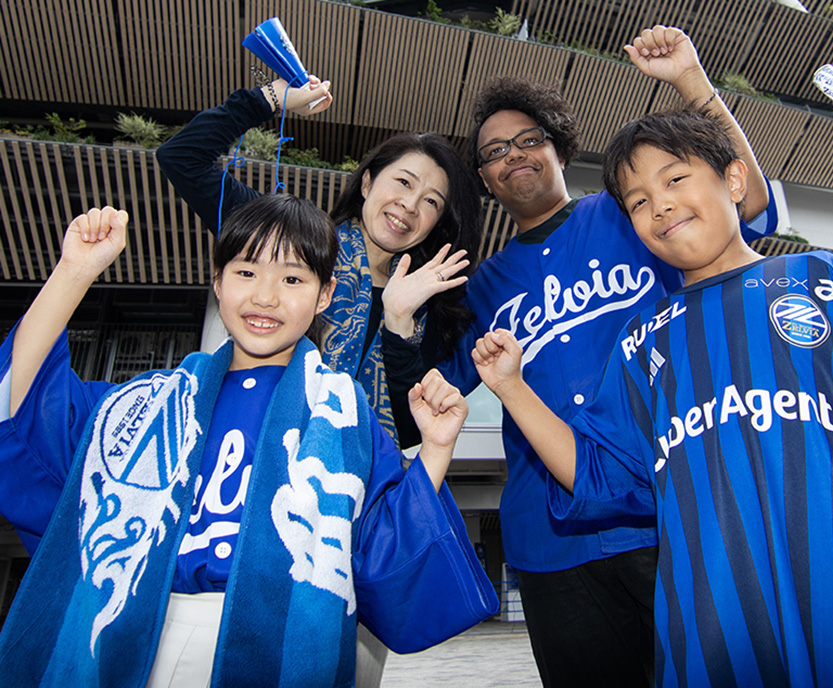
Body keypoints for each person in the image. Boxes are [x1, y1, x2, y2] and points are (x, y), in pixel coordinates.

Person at [471, 103, 833, 686]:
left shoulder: (827, 283)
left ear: (734, 180)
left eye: (675, 179)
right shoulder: (640, 347)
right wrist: (512, 388)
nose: (659, 206)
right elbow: (599, 477)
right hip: (715, 649)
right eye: (636, 202)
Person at [403, 26, 776, 686]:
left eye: (527, 139)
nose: (513, 155)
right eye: (493, 153)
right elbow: (424, 393)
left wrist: (692, 82)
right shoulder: (480, 288)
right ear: (485, 180)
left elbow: (747, 204)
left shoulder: (632, 213)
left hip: (675, 514)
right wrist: (397, 313)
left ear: (557, 146)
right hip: (553, 543)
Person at [0, 195, 498, 687]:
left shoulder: (345, 415)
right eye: (245, 272)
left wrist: (434, 448)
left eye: (293, 279)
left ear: (325, 295)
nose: (265, 297)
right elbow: (20, 404)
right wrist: (74, 272)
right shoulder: (148, 403)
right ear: (217, 283)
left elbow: (384, 549)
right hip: (128, 633)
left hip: (284, 645)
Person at [157, 75, 482, 451]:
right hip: (245, 450)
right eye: (404, 183)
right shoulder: (291, 242)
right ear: (367, 184)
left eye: (431, 201)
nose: (410, 205)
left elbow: (410, 431)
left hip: (349, 488)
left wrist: (398, 325)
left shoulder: (426, 304)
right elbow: (182, 158)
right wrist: (271, 98)